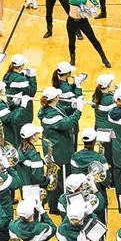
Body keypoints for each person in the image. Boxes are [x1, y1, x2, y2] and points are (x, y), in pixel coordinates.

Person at [39, 86, 83, 214]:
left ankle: (54, 204)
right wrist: (79, 111)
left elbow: (64, 112)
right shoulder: (50, 115)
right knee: (60, 180)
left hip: (59, 148)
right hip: (59, 152)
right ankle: (57, 207)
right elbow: (67, 123)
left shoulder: (53, 108)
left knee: (56, 179)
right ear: (55, 98)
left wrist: (73, 107)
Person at [55, 0, 111, 67]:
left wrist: (89, 11)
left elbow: (96, 4)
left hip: (83, 22)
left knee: (93, 40)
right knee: (71, 41)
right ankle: (72, 59)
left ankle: (104, 59)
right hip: (71, 21)